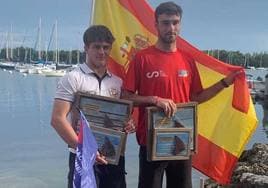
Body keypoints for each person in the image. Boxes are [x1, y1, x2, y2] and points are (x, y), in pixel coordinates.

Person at [122, 2, 241, 188]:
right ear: (156, 25)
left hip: (182, 140)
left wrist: (225, 83)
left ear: (181, 24)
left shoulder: (187, 60)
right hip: (151, 142)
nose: (171, 28)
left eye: (175, 22)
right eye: (166, 23)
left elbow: (196, 97)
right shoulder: (142, 58)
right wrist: (155, 100)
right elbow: (126, 97)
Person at [51, 25, 135, 188]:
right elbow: (57, 119)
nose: (101, 52)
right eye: (96, 47)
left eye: (106, 47)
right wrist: (86, 150)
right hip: (82, 157)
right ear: (86, 48)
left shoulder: (117, 83)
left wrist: (128, 123)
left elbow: (121, 119)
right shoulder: (73, 78)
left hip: (113, 157)